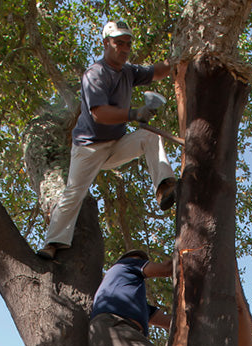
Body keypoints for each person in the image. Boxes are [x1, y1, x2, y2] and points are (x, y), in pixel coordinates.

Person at [38, 21, 177, 259]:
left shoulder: (129, 72)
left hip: (116, 144)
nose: (124, 49)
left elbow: (157, 71)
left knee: (150, 136)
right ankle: (53, 243)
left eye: (128, 44)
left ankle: (165, 187)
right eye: (118, 43)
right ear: (106, 43)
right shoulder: (96, 74)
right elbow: (99, 113)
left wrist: (181, 60)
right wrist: (134, 113)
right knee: (74, 193)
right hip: (88, 148)